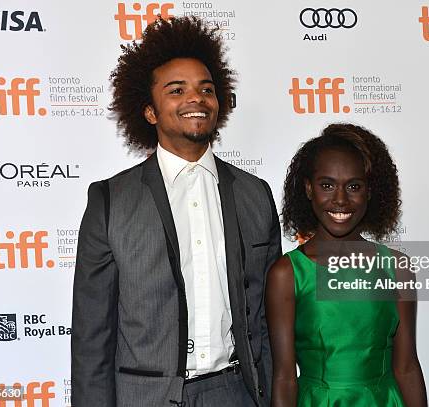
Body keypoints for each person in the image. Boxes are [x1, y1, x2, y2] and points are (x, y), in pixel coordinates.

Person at [71, 17, 280, 407]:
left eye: (206, 89)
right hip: (145, 397)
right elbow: (92, 338)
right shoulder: (111, 200)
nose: (196, 98)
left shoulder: (256, 195)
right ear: (149, 112)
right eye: (177, 90)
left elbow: (267, 321)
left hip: (236, 393)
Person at [266, 123, 427, 406]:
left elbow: (407, 367)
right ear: (308, 189)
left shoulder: (397, 267)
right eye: (327, 185)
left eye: (353, 186)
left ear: (369, 192)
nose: (340, 200)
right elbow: (284, 377)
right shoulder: (288, 273)